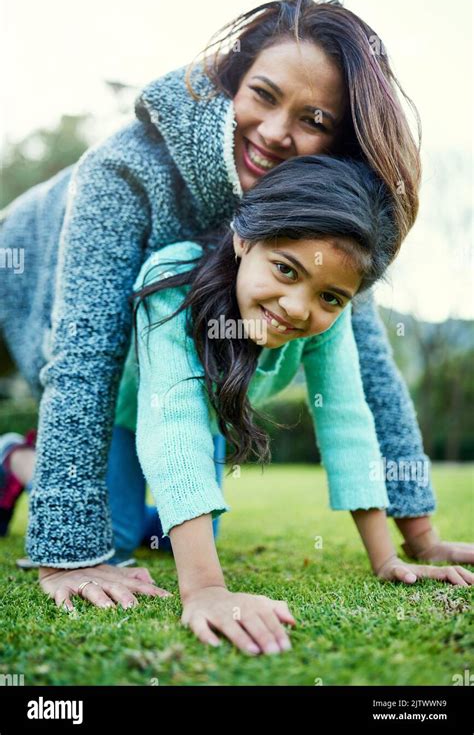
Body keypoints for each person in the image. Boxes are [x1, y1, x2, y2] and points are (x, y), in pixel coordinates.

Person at [0, 0, 471, 589]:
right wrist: (67, 552)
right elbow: (83, 359)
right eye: (264, 95)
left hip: (180, 380)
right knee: (105, 530)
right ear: (233, 83)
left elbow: (365, 386)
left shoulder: (323, 234)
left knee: (173, 527)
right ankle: (18, 460)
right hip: (25, 257)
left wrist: (418, 535)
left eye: (315, 120)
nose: (275, 134)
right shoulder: (124, 172)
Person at [44, 155, 473, 657]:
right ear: (244, 239)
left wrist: (386, 559)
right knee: (113, 539)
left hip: (205, 424)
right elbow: (173, 421)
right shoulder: (174, 275)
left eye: (331, 297)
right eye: (285, 269)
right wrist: (204, 589)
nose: (297, 306)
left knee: (188, 526)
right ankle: (20, 461)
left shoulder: (324, 322)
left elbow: (346, 420)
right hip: (127, 419)